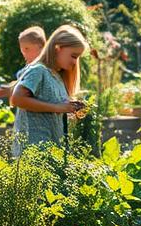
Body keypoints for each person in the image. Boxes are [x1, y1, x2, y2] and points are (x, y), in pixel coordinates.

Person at [9, 24, 88, 156]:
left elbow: (53, 107)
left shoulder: (57, 76)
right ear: (57, 48)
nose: (75, 62)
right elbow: (17, 99)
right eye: (73, 56)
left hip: (51, 148)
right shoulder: (39, 71)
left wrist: (70, 108)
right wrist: (59, 108)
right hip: (33, 149)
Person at [0, 26, 47, 98]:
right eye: (22, 50)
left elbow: (26, 91)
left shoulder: (40, 68)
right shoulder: (31, 67)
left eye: (27, 49)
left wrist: (11, 90)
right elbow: (22, 83)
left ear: (41, 47)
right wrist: (8, 87)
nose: (24, 53)